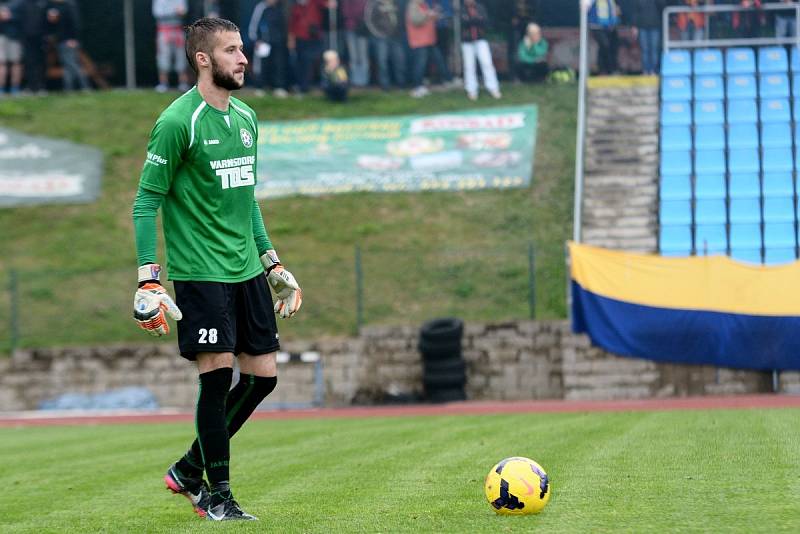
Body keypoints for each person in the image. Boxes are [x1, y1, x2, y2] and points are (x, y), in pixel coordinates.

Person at [131, 17, 303, 521]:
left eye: (242, 49)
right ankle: (217, 495)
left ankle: (188, 467)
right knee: (217, 376)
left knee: (264, 377)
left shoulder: (247, 118)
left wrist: (272, 262)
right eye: (231, 50)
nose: (243, 58)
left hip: (246, 268)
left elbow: (246, 199)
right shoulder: (177, 121)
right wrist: (148, 276)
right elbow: (146, 202)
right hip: (200, 272)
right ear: (203, 59)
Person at [45, 0, 91, 92]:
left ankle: (86, 87)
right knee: (67, 66)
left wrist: (73, 39)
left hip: (68, 41)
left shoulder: (69, 7)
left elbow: (75, 24)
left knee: (72, 64)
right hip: (62, 40)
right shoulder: (59, 7)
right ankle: (68, 88)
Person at [248, 0, 290, 97]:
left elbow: (283, 26)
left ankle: (278, 87)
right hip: (263, 43)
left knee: (278, 65)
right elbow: (254, 25)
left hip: (278, 42)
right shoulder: (261, 7)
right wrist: (256, 40)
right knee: (262, 66)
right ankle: (260, 87)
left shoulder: (280, 8)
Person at [460, 0, 500, 100]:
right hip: (467, 41)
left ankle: (493, 88)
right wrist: (476, 20)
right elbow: (464, 23)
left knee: (487, 63)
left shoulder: (480, 7)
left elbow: (485, 21)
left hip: (481, 39)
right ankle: (471, 90)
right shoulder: (461, 9)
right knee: (469, 66)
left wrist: (472, 20)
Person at [365, 0, 406, 90]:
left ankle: (401, 84)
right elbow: (369, 21)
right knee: (382, 62)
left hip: (396, 37)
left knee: (399, 61)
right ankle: (385, 86)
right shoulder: (375, 4)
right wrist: (378, 34)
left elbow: (401, 18)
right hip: (381, 38)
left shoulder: (396, 4)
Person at [153, 0, 189, 92]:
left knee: (181, 56)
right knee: (163, 57)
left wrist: (179, 12)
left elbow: (184, 11)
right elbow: (158, 13)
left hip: (178, 30)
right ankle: (163, 83)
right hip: (164, 31)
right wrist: (175, 11)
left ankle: (183, 83)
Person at [406, 0, 439, 97]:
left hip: (427, 40)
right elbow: (415, 20)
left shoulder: (423, 5)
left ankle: (420, 86)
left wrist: (433, 15)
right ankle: (416, 88)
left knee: (423, 65)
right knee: (419, 65)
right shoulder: (413, 5)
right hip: (418, 41)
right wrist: (427, 14)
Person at [628, 0, 665, 75]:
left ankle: (653, 70)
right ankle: (645, 70)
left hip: (655, 26)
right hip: (642, 26)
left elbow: (663, 6)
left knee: (654, 49)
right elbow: (635, 12)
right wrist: (634, 26)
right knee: (645, 49)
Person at [20, 0, 47, 95]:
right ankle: (31, 87)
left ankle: (41, 87)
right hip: (27, 39)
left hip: (41, 38)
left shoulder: (44, 3)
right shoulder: (23, 3)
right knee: (29, 63)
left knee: (40, 63)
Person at [588, 0, 620, 75]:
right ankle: (603, 70)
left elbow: (614, 11)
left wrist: (614, 22)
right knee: (604, 45)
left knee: (610, 47)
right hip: (596, 26)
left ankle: (610, 69)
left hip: (609, 27)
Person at [342, 0, 369, 86]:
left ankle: (364, 81)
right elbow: (345, 12)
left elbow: (366, 11)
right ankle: (355, 81)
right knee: (353, 56)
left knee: (362, 56)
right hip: (350, 28)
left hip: (361, 30)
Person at [0, 0, 24, 95]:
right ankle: (1, 88)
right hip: (1, 36)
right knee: (1, 63)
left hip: (15, 36)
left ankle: (15, 88)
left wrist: (10, 16)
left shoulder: (18, 3)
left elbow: (25, 17)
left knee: (16, 63)